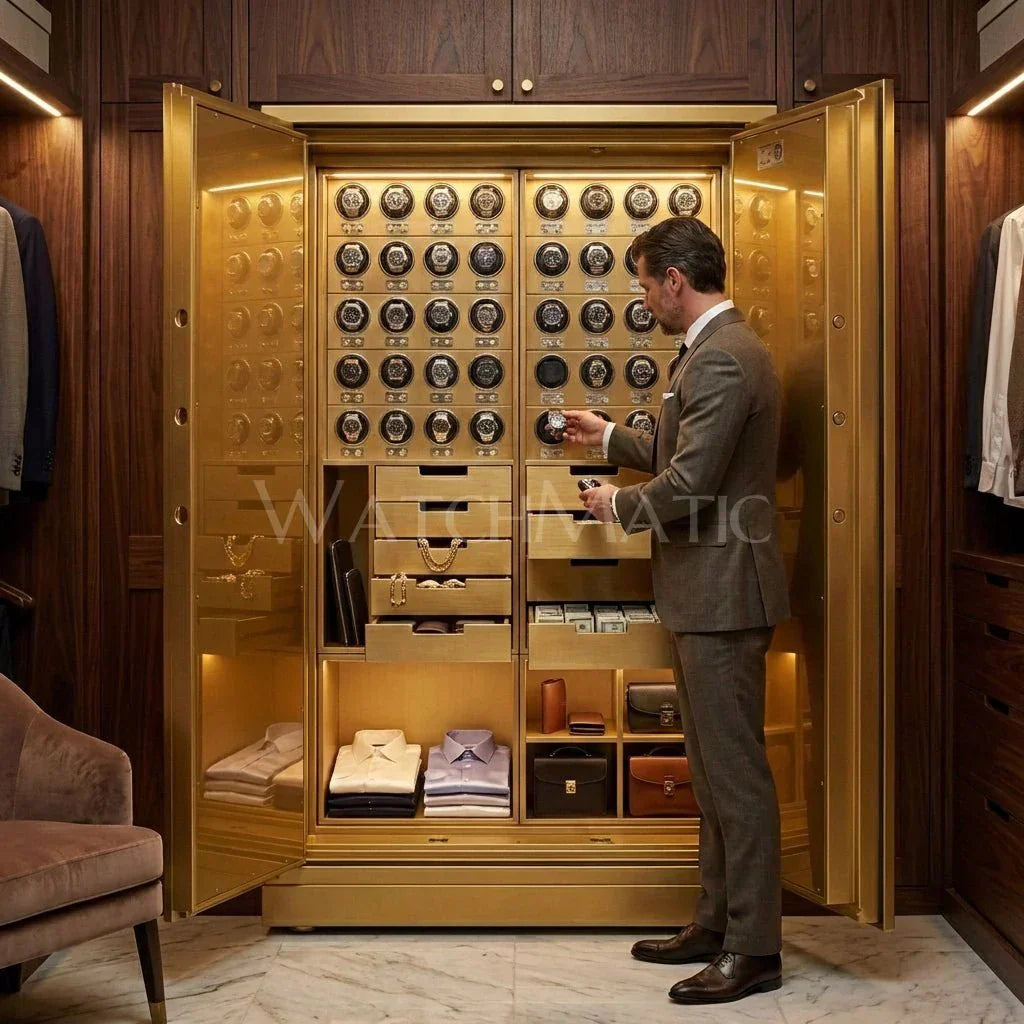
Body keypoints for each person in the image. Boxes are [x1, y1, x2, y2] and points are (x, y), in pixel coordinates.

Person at [562, 216, 791, 1005]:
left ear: (673, 280)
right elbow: (687, 449)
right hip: (706, 592)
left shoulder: (726, 355)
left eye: (645, 283)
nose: (643, 299)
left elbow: (692, 483)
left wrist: (615, 505)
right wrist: (615, 434)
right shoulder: (712, 350)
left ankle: (754, 949)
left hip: (725, 593)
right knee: (712, 770)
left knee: (737, 777)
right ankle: (716, 923)